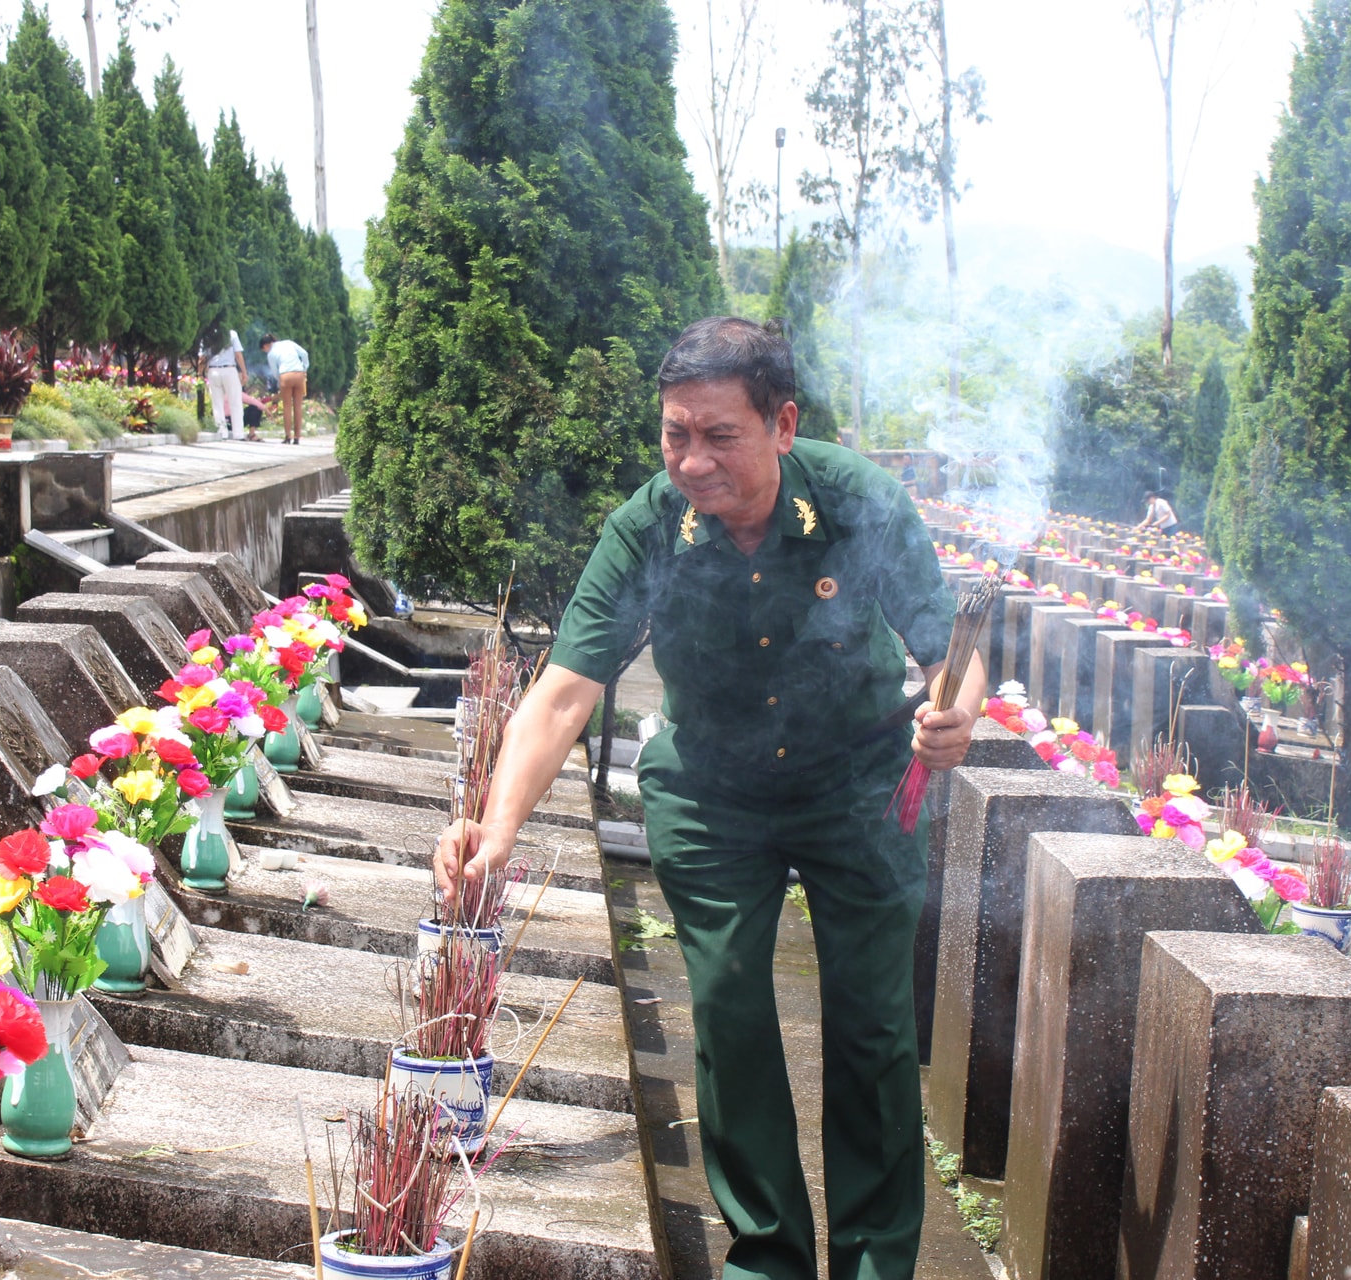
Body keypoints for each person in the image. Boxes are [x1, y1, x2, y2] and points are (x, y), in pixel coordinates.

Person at [434, 317, 984, 1280]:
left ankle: (873, 1260)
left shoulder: (861, 504)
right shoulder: (647, 528)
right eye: (674, 434)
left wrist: (957, 717)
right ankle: (766, 1254)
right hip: (713, 790)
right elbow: (564, 690)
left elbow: (952, 654)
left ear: (783, 422)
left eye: (718, 436)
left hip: (856, 783)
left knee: (874, 1027)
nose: (691, 461)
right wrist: (497, 823)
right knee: (728, 1001)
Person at [259, 333, 310, 444]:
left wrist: (280, 381)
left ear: (267, 345)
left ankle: (288, 437)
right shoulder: (289, 343)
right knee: (298, 406)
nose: (266, 351)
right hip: (299, 374)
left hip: (285, 375)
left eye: (264, 349)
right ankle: (297, 437)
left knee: (287, 407)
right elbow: (304, 353)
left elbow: (274, 372)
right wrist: (304, 367)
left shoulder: (271, 354)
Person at [200, 327, 248, 440]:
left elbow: (202, 357)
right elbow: (238, 354)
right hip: (229, 370)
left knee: (217, 403)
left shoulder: (206, 335)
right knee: (235, 402)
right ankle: (238, 434)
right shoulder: (232, 334)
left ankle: (222, 432)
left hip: (213, 371)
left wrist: (200, 372)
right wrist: (244, 372)